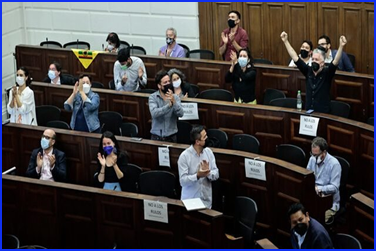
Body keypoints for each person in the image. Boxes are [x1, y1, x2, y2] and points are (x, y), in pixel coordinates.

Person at [281, 31, 347, 113]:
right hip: (308, 112)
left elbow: (336, 61)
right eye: (313, 59)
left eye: (316, 60)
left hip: (322, 113)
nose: (314, 62)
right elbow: (295, 57)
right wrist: (286, 41)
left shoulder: (327, 73)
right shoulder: (308, 71)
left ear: (322, 63)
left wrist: (341, 46)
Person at [177, 125, 219, 209]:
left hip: (206, 202)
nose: (207, 138)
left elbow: (216, 174)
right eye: (204, 137)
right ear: (197, 142)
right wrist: (197, 176)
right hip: (189, 201)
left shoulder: (209, 152)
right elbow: (183, 181)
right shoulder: (184, 156)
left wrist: (208, 173)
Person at [307, 137, 341, 224]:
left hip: (329, 203)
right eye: (312, 153)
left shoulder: (334, 164)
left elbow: (334, 187)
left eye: (316, 155)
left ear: (324, 152)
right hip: (314, 199)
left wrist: (318, 188)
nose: (314, 157)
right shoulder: (312, 159)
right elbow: (307, 176)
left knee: (316, 222)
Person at [149, 70, 184, 143]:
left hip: (171, 136)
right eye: (165, 82)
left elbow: (181, 114)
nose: (168, 84)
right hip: (157, 137)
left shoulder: (175, 97)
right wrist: (168, 106)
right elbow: (154, 113)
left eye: (169, 81)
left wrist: (174, 102)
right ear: (159, 85)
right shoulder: (153, 97)